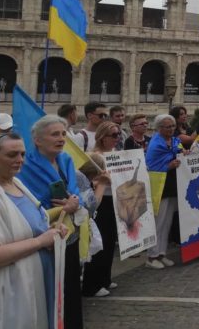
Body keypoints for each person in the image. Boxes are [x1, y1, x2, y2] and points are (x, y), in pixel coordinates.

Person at [0, 132, 67, 329]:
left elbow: (30, 228)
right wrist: (41, 241)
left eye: (22, 154)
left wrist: (50, 230)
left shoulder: (17, 183)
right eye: (12, 155)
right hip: (7, 293)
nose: (20, 160)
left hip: (34, 283)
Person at [18, 115, 84, 329]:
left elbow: (75, 192)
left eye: (63, 134)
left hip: (70, 233)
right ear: (37, 140)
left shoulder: (66, 159)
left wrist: (74, 202)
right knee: (49, 289)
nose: (61, 138)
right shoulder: (26, 165)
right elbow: (28, 200)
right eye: (55, 134)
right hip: (44, 234)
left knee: (71, 287)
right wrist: (61, 208)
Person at [82, 123, 118, 297]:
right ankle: (92, 282)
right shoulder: (94, 156)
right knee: (98, 241)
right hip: (100, 201)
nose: (117, 138)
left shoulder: (116, 154)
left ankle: (105, 277)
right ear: (103, 137)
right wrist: (102, 182)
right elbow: (87, 181)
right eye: (114, 135)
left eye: (118, 135)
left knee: (110, 240)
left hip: (114, 200)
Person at [145, 114, 185, 269]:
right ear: (159, 128)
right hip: (159, 186)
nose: (171, 129)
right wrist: (168, 166)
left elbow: (180, 151)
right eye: (167, 127)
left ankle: (162, 253)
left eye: (173, 126)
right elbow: (151, 166)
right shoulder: (155, 145)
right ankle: (151, 255)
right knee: (158, 222)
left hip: (172, 185)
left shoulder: (175, 141)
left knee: (167, 222)